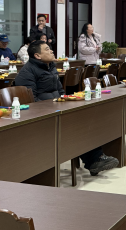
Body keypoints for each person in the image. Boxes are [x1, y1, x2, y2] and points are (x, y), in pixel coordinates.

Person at [15, 41, 119, 175]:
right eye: (47, 49)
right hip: (42, 115)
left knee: (85, 119)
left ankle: (96, 159)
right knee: (75, 125)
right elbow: (31, 101)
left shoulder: (51, 67)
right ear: (37, 55)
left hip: (57, 108)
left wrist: (66, 102)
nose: (51, 51)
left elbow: (60, 91)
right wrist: (52, 108)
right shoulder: (27, 72)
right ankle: (94, 160)